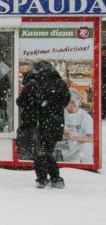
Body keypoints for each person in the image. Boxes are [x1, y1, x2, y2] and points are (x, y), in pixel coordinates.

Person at [16, 61, 71, 189]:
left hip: (37, 123)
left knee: (40, 151)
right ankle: (55, 179)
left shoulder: (33, 84)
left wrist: (35, 103)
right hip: (56, 123)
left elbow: (20, 101)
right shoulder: (61, 84)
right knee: (46, 151)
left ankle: (43, 179)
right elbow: (65, 101)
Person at [63, 89, 94, 164]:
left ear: (72, 101)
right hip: (64, 152)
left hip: (80, 155)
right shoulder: (62, 114)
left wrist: (73, 138)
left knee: (86, 146)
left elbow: (92, 139)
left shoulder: (85, 117)